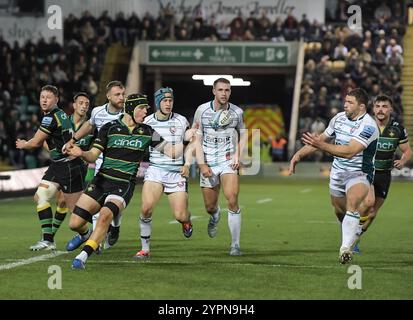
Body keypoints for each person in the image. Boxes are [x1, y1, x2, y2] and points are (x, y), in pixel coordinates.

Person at [65, 93, 194, 269]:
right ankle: (86, 235)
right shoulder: (109, 128)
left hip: (123, 185)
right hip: (101, 181)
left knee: (104, 216)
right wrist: (82, 153)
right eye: (142, 108)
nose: (146, 112)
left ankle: (82, 256)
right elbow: (93, 155)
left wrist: (187, 140)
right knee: (75, 223)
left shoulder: (148, 131)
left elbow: (172, 152)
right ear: (132, 109)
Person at [289, 88, 379, 264]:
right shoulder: (338, 118)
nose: (345, 104)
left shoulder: (368, 126)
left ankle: (345, 248)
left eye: (350, 102)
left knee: (352, 205)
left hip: (359, 172)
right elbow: (321, 139)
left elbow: (349, 152)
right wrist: (298, 155)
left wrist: (321, 145)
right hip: (338, 172)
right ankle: (355, 231)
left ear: (361, 106)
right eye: (345, 101)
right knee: (340, 211)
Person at [16, 85, 87, 251]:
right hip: (59, 165)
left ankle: (90, 234)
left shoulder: (50, 118)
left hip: (69, 167)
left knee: (75, 215)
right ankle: (48, 240)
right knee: (40, 196)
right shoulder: (61, 114)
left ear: (56, 99)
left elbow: (36, 142)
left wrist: (24, 144)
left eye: (48, 97)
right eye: (42, 97)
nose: (44, 100)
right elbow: (54, 141)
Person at [134, 87, 195, 259]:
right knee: (146, 209)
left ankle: (187, 221)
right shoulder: (147, 122)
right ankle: (145, 249)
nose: (168, 104)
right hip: (156, 170)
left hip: (176, 172)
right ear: (158, 102)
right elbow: (141, 145)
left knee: (180, 215)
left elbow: (191, 143)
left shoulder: (182, 121)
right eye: (164, 100)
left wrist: (188, 163)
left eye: (171, 100)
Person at [66, 81, 125, 250]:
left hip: (121, 167)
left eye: (123, 94)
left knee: (115, 207)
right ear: (108, 96)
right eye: (117, 94)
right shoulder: (98, 112)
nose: (121, 98)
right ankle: (94, 240)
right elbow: (90, 124)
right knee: (97, 203)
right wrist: (73, 139)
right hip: (101, 165)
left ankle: (115, 226)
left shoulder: (128, 114)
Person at [193, 77, 246, 256]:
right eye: (221, 90)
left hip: (228, 161)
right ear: (214, 91)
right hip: (209, 161)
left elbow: (243, 135)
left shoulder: (237, 112)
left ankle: (235, 245)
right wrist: (202, 164)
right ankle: (215, 216)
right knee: (210, 206)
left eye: (227, 90)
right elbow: (196, 139)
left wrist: (238, 155)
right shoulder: (201, 110)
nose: (224, 93)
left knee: (232, 199)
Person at [356, 95, 412, 248]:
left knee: (372, 213)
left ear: (390, 109)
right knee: (369, 201)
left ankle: (355, 236)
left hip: (384, 174)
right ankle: (351, 229)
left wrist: (402, 161)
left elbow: (407, 151)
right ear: (373, 108)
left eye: (384, 106)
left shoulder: (398, 129)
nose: (381, 109)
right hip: (366, 171)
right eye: (378, 106)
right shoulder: (364, 125)